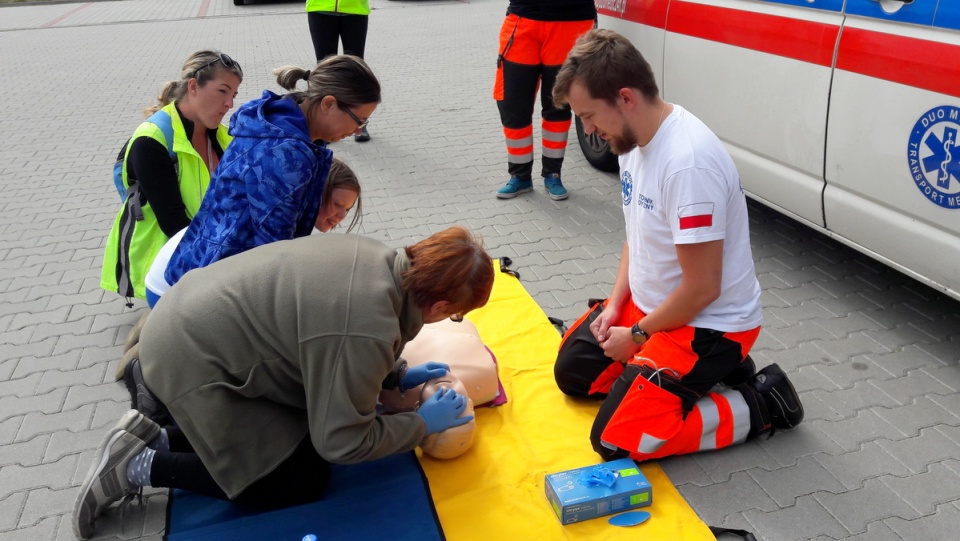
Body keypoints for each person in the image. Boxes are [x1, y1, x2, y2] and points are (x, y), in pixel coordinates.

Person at [73, 226, 495, 539]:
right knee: (297, 478)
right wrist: (421, 425)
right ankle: (138, 465)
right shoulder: (367, 328)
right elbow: (343, 441)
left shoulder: (377, 258)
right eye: (455, 314)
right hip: (192, 363)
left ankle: (159, 437)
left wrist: (395, 374)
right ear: (440, 305)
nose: (450, 320)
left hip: (187, 321)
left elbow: (332, 333)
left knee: (303, 437)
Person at [551, 29, 803, 463]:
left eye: (590, 115)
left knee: (615, 440)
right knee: (572, 371)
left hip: (707, 325)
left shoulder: (688, 164)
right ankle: (690, 380)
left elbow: (703, 288)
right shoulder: (631, 139)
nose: (588, 130)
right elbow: (639, 232)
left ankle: (762, 403)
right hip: (653, 311)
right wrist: (615, 306)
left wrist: (635, 335)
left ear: (625, 97)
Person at [164, 54, 379, 291]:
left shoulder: (277, 123)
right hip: (215, 285)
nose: (358, 130)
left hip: (197, 266)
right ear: (328, 104)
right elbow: (274, 252)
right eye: (359, 120)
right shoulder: (286, 153)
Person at [100, 50, 243, 302]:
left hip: (202, 252)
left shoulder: (222, 136)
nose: (229, 103)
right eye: (223, 91)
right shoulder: (151, 141)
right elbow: (173, 224)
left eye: (233, 95)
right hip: (161, 267)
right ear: (193, 87)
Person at [142, 157, 363, 308]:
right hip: (168, 293)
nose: (342, 215)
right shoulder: (276, 224)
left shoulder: (284, 214)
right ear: (316, 194)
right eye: (337, 204)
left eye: (348, 208)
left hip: (173, 283)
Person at [493, 0, 596, 201]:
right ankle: (520, 176)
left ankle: (553, 174)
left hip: (572, 21)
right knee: (512, 103)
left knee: (559, 103)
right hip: (523, 19)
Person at [306, 0, 372, 142]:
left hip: (355, 10)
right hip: (320, 8)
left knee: (356, 70)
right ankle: (321, 126)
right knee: (324, 71)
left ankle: (359, 122)